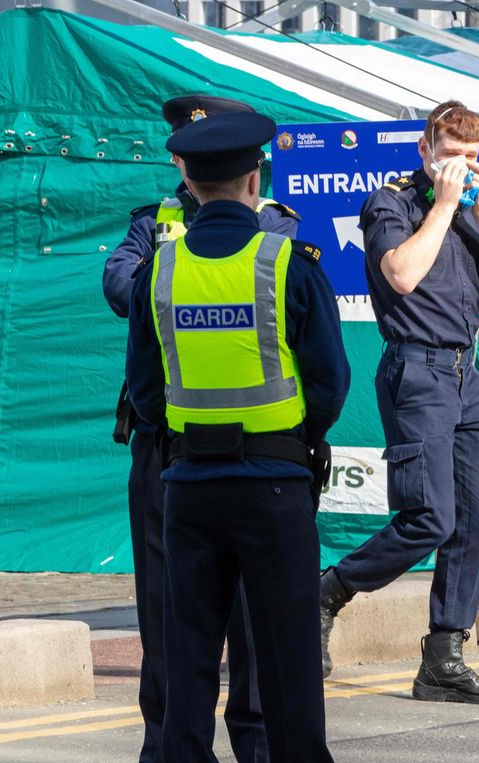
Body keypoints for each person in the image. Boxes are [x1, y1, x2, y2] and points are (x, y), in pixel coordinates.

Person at [127, 110, 349, 763]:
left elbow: (143, 388)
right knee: (286, 660)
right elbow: (329, 379)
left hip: (189, 487)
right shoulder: (289, 264)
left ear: (188, 183)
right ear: (256, 178)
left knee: (189, 656)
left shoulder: (159, 272)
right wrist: (298, 437)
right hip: (274, 484)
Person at [103, 94, 298, 763]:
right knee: (165, 610)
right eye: (187, 151)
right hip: (165, 446)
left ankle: (256, 744)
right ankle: (168, 746)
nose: (193, 163)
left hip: (251, 446)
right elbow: (118, 284)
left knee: (251, 615)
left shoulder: (276, 227)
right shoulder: (152, 224)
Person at [317, 100, 479, 704]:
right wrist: (440, 205)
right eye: (452, 155)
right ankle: (327, 592)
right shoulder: (393, 203)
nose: (463, 167)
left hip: (467, 376)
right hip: (417, 370)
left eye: (472, 157)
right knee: (430, 517)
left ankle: (443, 657)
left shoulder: (468, 214)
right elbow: (402, 275)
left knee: (477, 520)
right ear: (424, 151)